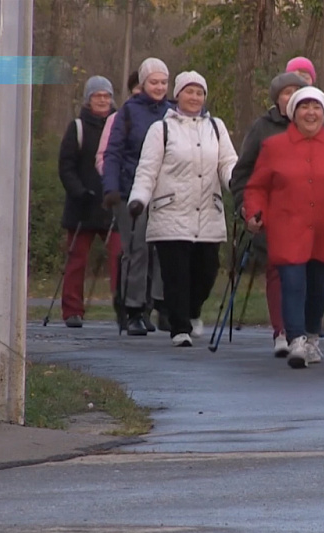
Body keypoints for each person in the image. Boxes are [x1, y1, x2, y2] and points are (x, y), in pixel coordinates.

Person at [244, 86, 324, 369]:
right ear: (294, 113)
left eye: (316, 108)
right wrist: (253, 213)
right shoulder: (274, 147)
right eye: (304, 107)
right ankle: (296, 339)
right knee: (292, 282)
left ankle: (312, 336)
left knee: (319, 287)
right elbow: (257, 187)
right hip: (287, 227)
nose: (310, 113)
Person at [127, 71, 238, 347]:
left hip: (208, 214)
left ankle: (191, 311)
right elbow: (147, 170)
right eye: (189, 91)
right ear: (178, 95)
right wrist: (138, 199)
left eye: (199, 92)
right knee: (176, 275)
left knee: (206, 272)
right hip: (170, 213)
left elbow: (227, 162)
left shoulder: (216, 127)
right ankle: (180, 328)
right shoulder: (161, 129)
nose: (195, 97)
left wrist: (237, 183)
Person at [229, 72, 309, 357]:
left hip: (311, 214)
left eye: (297, 92)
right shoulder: (262, 128)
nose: (291, 98)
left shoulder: (316, 127)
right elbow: (242, 174)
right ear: (277, 98)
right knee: (279, 271)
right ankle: (283, 331)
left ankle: (305, 332)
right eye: (286, 92)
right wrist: (246, 208)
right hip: (274, 214)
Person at [102, 58, 174, 336]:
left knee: (162, 250)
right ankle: (132, 309)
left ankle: (158, 306)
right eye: (153, 82)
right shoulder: (128, 113)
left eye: (163, 82)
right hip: (130, 190)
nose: (158, 87)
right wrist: (111, 189)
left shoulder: (172, 113)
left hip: (164, 193)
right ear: (142, 84)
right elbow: (113, 152)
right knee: (137, 250)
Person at [56, 75, 121, 328]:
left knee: (120, 257)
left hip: (112, 205)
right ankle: (72, 310)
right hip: (82, 206)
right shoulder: (77, 128)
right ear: (88, 100)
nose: (103, 100)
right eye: (98, 96)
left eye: (106, 96)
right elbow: (66, 166)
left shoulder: (119, 126)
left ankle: (124, 309)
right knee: (76, 261)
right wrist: (78, 191)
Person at [96, 71, 142, 176]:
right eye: (139, 88)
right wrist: (113, 180)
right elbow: (103, 156)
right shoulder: (116, 118)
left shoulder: (165, 116)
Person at [285, 56, 324, 134]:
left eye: (305, 77)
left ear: (312, 80)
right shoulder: (280, 110)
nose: (301, 82)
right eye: (295, 78)